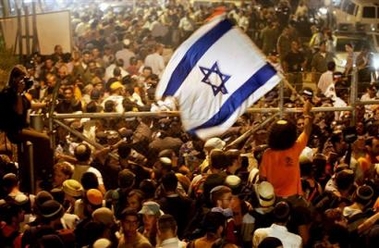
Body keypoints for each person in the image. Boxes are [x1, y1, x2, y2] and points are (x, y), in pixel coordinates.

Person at [0, 65, 54, 190]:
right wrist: (19, 92)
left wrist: (46, 104)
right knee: (44, 139)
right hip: (15, 131)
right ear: (14, 78)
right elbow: (19, 111)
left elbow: (28, 105)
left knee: (46, 136)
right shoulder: (8, 93)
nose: (24, 81)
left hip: (24, 128)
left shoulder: (20, 94)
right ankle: (45, 174)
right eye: (22, 78)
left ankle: (38, 169)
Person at [259, 100, 313, 206]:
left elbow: (262, 178)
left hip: (274, 199)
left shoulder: (267, 154)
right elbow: (307, 130)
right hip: (294, 198)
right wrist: (307, 113)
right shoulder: (295, 148)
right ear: (291, 134)